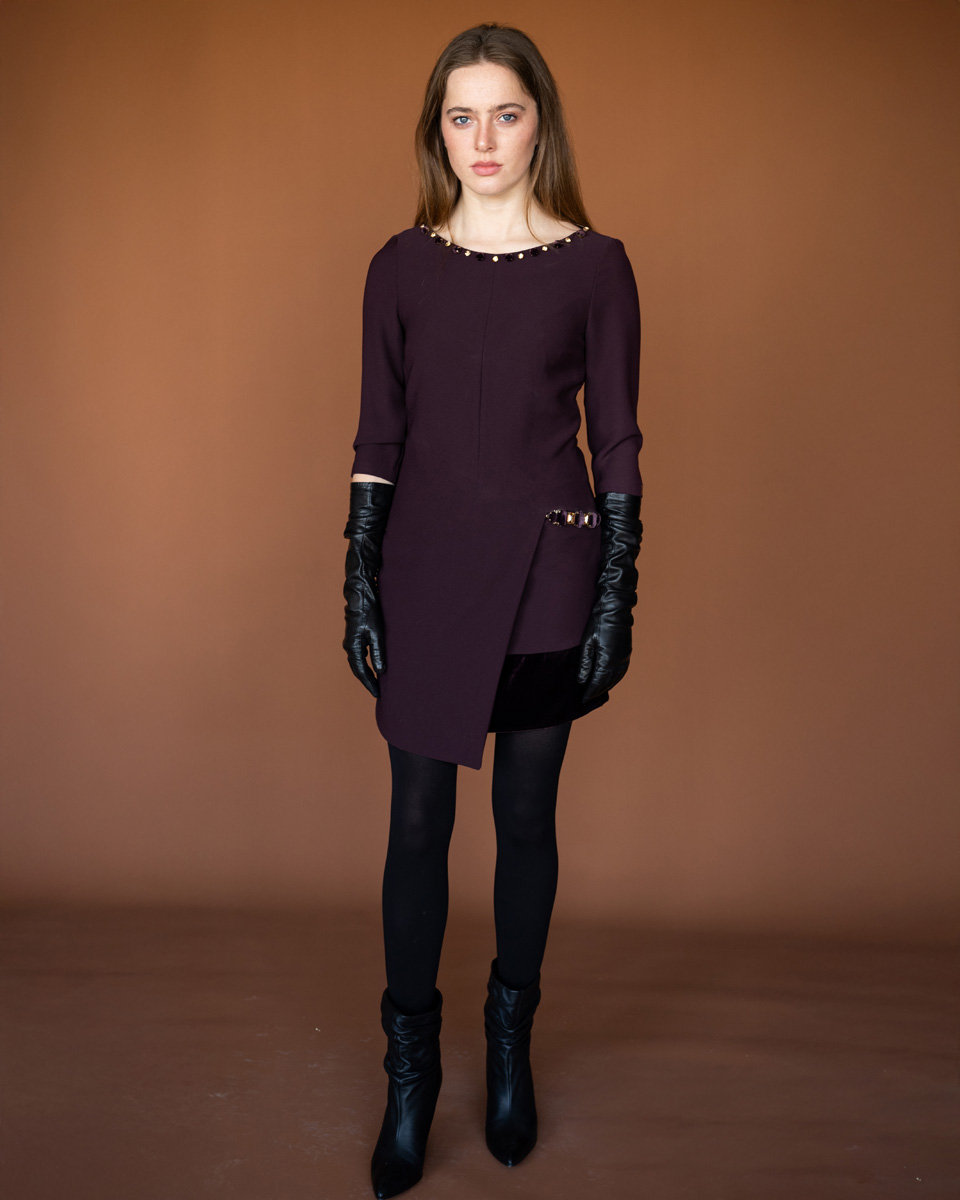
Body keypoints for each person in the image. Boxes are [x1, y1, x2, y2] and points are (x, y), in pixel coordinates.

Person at [343, 23, 643, 1199]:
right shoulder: (397, 266)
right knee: (418, 823)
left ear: (540, 124)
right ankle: (410, 1074)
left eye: (505, 114)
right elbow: (379, 435)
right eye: (460, 116)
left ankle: (508, 1043)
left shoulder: (596, 265)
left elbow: (616, 439)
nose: (483, 139)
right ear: (437, 131)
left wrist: (617, 589)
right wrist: (358, 572)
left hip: (550, 570)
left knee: (526, 815)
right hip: (424, 573)